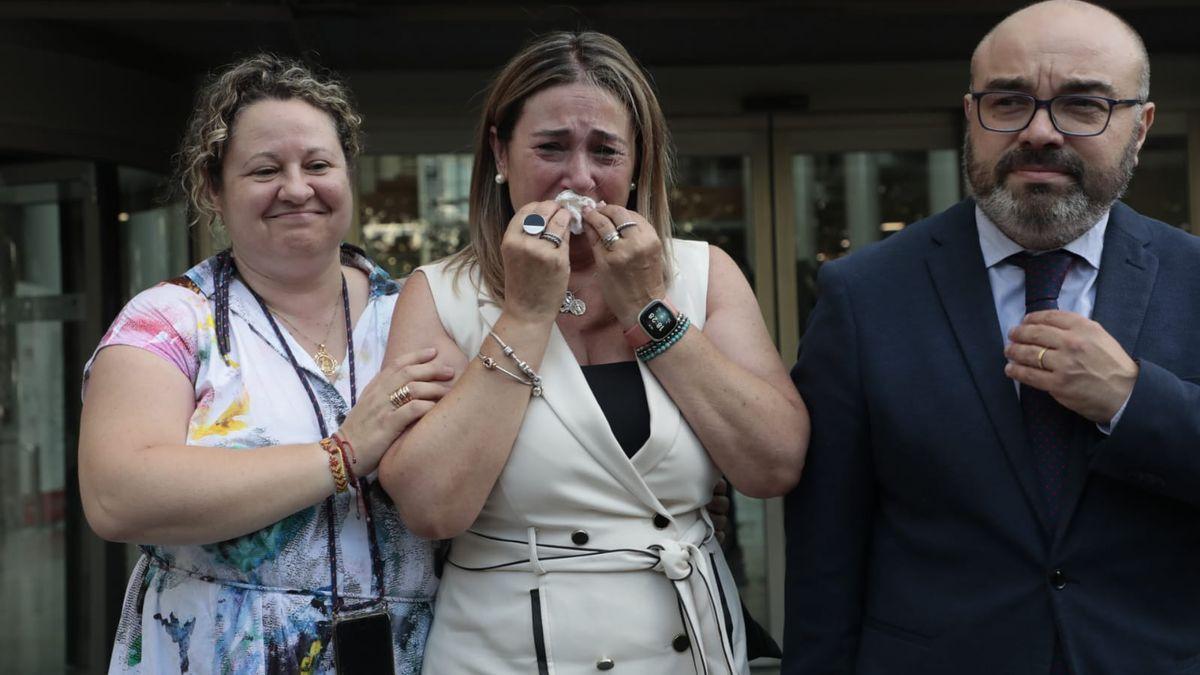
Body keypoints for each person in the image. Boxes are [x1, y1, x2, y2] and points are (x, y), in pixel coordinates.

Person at [784, 1, 1200, 673]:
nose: (1038, 131)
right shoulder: (863, 294)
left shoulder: (1194, 279)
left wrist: (1131, 398)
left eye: (1082, 104)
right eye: (1008, 102)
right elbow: (825, 553)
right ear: (971, 114)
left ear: (1141, 125)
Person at [379, 31, 809, 674]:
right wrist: (525, 314)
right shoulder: (439, 293)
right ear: (500, 152)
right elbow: (433, 507)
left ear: (637, 164)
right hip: (510, 653)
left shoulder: (703, 273)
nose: (579, 178)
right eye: (551, 147)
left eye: (605, 151)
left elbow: (773, 465)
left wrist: (647, 311)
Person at [78, 54, 452, 674]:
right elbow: (118, 496)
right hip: (217, 653)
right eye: (265, 170)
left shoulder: (421, 311)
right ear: (212, 190)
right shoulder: (171, 320)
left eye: (319, 164)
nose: (298, 188)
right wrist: (342, 455)